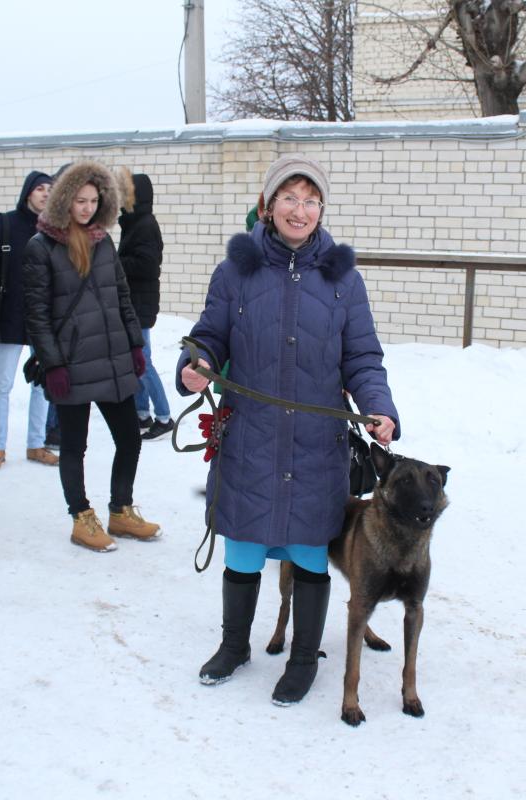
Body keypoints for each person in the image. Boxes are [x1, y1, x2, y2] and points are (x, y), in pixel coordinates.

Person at [178, 154, 398, 706]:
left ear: (321, 209)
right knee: (245, 547)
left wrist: (378, 406)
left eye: (310, 200)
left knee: (306, 549)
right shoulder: (235, 272)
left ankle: (303, 659)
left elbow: (363, 356)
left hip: (315, 443)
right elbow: (210, 335)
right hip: (250, 433)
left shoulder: (343, 279)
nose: (300, 210)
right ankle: (234, 646)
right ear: (268, 205)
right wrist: (196, 360)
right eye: (289, 198)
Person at [22, 161, 160, 552]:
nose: (86, 208)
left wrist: (135, 345)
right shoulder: (41, 248)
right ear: (65, 199)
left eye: (93, 200)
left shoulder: (103, 240)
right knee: (74, 445)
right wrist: (53, 364)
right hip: (72, 362)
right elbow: (37, 314)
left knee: (130, 437)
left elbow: (122, 297)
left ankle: (120, 509)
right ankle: (81, 516)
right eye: (79, 200)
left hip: (112, 355)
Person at [0, 171, 57, 471]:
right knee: (3, 384)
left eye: (51, 189)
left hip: (42, 320)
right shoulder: (6, 223)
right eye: (40, 188)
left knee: (41, 384)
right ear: (28, 192)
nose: (46, 194)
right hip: (10, 318)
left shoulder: (55, 229)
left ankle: (36, 444)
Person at [116, 169, 173, 441]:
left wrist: (115, 264)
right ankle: (142, 413)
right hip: (133, 301)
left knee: (143, 361)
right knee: (133, 360)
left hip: (140, 302)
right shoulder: (133, 222)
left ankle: (164, 417)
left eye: (125, 192)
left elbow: (148, 265)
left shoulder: (146, 224)